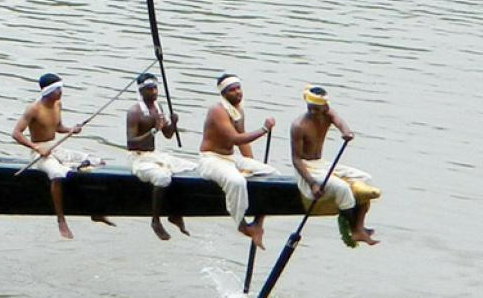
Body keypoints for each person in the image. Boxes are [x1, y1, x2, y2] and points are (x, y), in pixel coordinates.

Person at [11, 73, 112, 240]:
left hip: (56, 147)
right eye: (57, 89)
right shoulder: (33, 109)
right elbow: (16, 133)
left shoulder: (58, 104)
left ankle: (95, 210)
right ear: (48, 91)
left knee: (97, 162)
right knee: (57, 174)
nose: (61, 92)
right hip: (39, 150)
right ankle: (61, 219)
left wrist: (71, 129)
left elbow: (58, 127)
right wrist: (36, 147)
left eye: (61, 89)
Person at [197, 73, 278, 249]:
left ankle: (258, 223)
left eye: (238, 88)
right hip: (211, 159)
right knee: (236, 181)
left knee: (271, 175)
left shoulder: (238, 110)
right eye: (232, 90)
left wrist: (253, 165)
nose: (237, 92)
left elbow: (243, 141)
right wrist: (264, 129)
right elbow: (235, 138)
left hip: (230, 158)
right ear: (224, 93)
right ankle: (242, 225)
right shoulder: (217, 111)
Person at [290, 85, 378, 246]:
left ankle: (359, 226)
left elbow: (340, 122)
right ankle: (354, 229)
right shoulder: (298, 126)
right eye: (311, 109)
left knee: (366, 179)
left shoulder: (328, 114)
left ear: (325, 106)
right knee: (342, 188)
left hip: (321, 164)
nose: (315, 113)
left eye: (318, 109)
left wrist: (346, 132)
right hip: (306, 167)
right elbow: (296, 160)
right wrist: (313, 183)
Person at [126, 73, 194, 240]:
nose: (154, 92)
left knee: (189, 168)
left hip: (153, 154)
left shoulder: (159, 107)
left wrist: (173, 123)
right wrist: (155, 129)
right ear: (141, 91)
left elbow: (168, 135)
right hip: (138, 157)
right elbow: (131, 143)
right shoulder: (135, 111)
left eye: (155, 88)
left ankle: (175, 213)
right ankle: (155, 220)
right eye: (150, 89)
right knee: (162, 177)